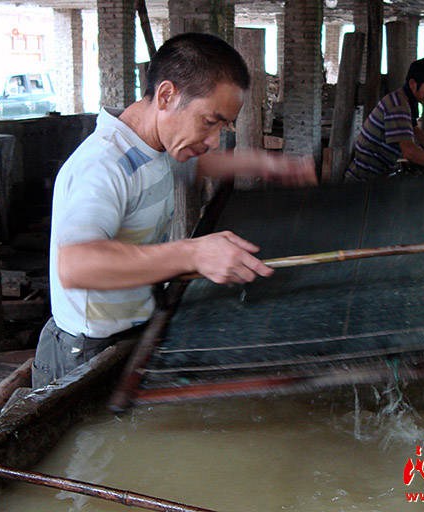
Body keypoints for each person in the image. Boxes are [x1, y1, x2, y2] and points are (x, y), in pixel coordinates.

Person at [32, 32, 317, 388]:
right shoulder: (103, 165)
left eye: (223, 126)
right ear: (167, 95)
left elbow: (199, 165)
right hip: (86, 353)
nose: (213, 139)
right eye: (210, 122)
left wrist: (267, 165)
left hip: (132, 328)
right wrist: (192, 254)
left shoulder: (156, 147)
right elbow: (75, 266)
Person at [345, 57, 424, 182]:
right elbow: (409, 152)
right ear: (413, 84)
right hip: (363, 182)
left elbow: (413, 127)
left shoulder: (407, 100)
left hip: (377, 176)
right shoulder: (398, 106)